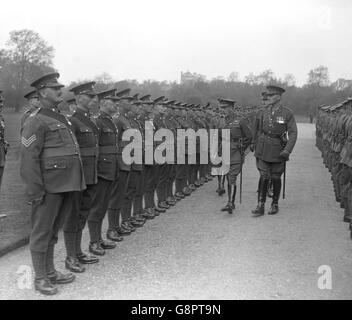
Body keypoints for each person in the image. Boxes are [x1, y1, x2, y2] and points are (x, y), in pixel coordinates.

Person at [20, 72, 86, 295]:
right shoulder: (35, 120)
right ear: (42, 92)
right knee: (41, 232)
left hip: (65, 184)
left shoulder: (61, 118)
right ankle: (40, 278)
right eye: (55, 87)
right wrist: (35, 190)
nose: (60, 90)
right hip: (47, 187)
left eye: (60, 87)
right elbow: (28, 160)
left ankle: (50, 272)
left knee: (53, 232)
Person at [63, 81, 100, 273]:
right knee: (73, 215)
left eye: (93, 97)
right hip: (78, 176)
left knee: (83, 213)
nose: (94, 99)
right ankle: (70, 257)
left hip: (90, 174)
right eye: (89, 96)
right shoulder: (72, 120)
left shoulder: (90, 119)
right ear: (78, 97)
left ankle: (77, 252)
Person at [252, 85, 297, 217]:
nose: (268, 98)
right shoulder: (263, 112)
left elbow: (293, 133)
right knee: (263, 176)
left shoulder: (287, 113)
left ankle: (274, 203)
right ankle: (260, 204)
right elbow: (258, 129)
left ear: (278, 97)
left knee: (276, 177)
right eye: (268, 95)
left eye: (271, 96)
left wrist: (287, 150)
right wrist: (256, 143)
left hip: (278, 149)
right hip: (264, 148)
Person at [86, 88, 119, 256]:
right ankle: (93, 241)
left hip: (110, 168)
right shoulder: (98, 121)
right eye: (114, 102)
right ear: (105, 103)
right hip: (101, 170)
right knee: (97, 207)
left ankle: (98, 239)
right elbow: (95, 147)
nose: (116, 105)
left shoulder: (110, 121)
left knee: (103, 205)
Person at [218, 99, 252, 214]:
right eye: (221, 108)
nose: (223, 110)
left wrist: (242, 148)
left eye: (225, 108)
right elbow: (218, 136)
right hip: (224, 152)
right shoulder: (222, 121)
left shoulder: (240, 120)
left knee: (232, 177)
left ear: (231, 108)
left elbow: (249, 136)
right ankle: (230, 201)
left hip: (236, 152)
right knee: (228, 177)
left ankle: (230, 203)